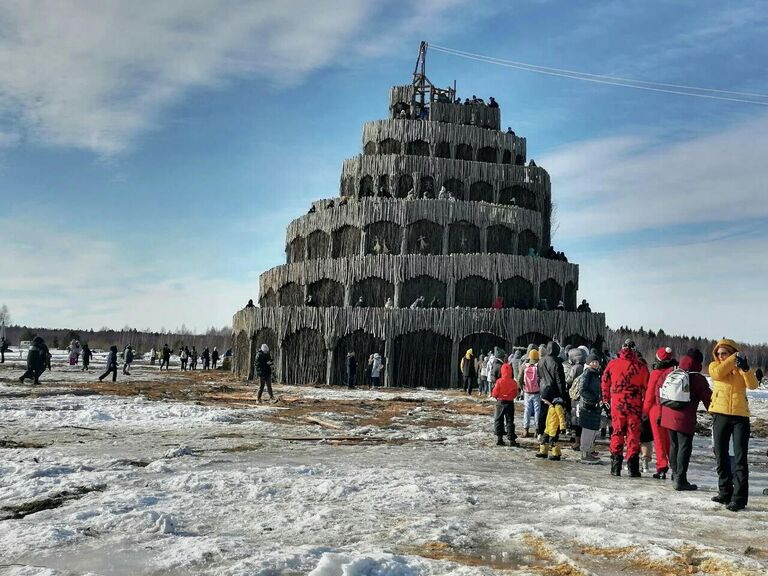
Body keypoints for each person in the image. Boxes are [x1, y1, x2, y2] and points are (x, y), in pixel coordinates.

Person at [709, 338, 759, 511]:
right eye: (719, 353)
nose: (721, 356)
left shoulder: (741, 369)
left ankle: (739, 498)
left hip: (740, 417)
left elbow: (753, 385)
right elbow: (717, 374)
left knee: (739, 458)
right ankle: (724, 492)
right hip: (720, 414)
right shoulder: (714, 366)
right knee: (721, 454)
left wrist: (745, 368)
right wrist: (733, 358)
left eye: (725, 353)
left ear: (730, 352)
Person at [660, 349, 712, 491]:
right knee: (684, 447)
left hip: (668, 415)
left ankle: (675, 475)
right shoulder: (696, 377)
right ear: (699, 362)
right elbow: (709, 399)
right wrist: (716, 414)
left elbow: (660, 387)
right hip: (684, 419)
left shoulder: (673, 371)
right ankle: (681, 480)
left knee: (674, 445)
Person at [601, 339, 650, 477]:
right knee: (633, 435)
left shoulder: (612, 364)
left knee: (617, 433)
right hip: (634, 406)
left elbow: (604, 383)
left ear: (622, 348)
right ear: (635, 349)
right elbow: (648, 389)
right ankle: (633, 469)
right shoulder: (641, 367)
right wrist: (645, 407)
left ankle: (615, 468)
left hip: (617, 405)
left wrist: (606, 400)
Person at [642, 347, 677, 479]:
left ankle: (662, 467)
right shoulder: (674, 372)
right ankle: (675, 468)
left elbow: (650, 395)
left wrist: (644, 412)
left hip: (656, 410)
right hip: (671, 410)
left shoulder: (655, 373)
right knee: (670, 441)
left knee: (659, 440)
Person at [537, 341, 568, 442]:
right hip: (554, 391)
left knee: (543, 412)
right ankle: (553, 434)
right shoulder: (557, 362)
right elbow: (560, 380)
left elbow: (539, 376)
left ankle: (540, 432)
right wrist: (563, 394)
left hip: (543, 389)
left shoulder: (541, 361)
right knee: (555, 413)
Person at [578, 354, 603, 463]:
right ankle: (584, 453)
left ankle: (588, 452)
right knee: (588, 430)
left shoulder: (596, 374)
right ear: (588, 363)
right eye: (592, 362)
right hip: (588, 406)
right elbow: (582, 389)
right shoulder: (587, 373)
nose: (595, 364)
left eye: (596, 362)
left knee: (593, 429)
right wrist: (593, 399)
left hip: (594, 406)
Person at [536, 385, 567, 460]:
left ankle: (556, 454)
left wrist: (562, 427)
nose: (545, 403)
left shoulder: (557, 406)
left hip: (554, 428)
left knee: (553, 441)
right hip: (548, 427)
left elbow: (561, 417)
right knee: (544, 439)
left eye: (546, 401)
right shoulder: (551, 405)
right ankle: (543, 452)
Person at [491, 363, 519, 446]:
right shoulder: (513, 382)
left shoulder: (499, 381)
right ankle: (511, 440)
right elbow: (515, 394)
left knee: (498, 420)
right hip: (509, 403)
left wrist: (496, 396)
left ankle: (499, 439)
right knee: (510, 421)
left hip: (500, 402)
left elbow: (495, 392)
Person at [565, 347, 586, 451]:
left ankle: (577, 441)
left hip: (575, 395)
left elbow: (568, 380)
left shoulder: (575, 367)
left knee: (575, 417)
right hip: (584, 396)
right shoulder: (585, 366)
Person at [517, 349, 540, 438]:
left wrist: (522, 386)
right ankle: (537, 430)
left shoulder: (524, 367)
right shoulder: (538, 367)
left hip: (527, 391)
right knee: (537, 410)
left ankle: (525, 430)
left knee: (527, 410)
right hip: (537, 392)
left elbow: (519, 378)